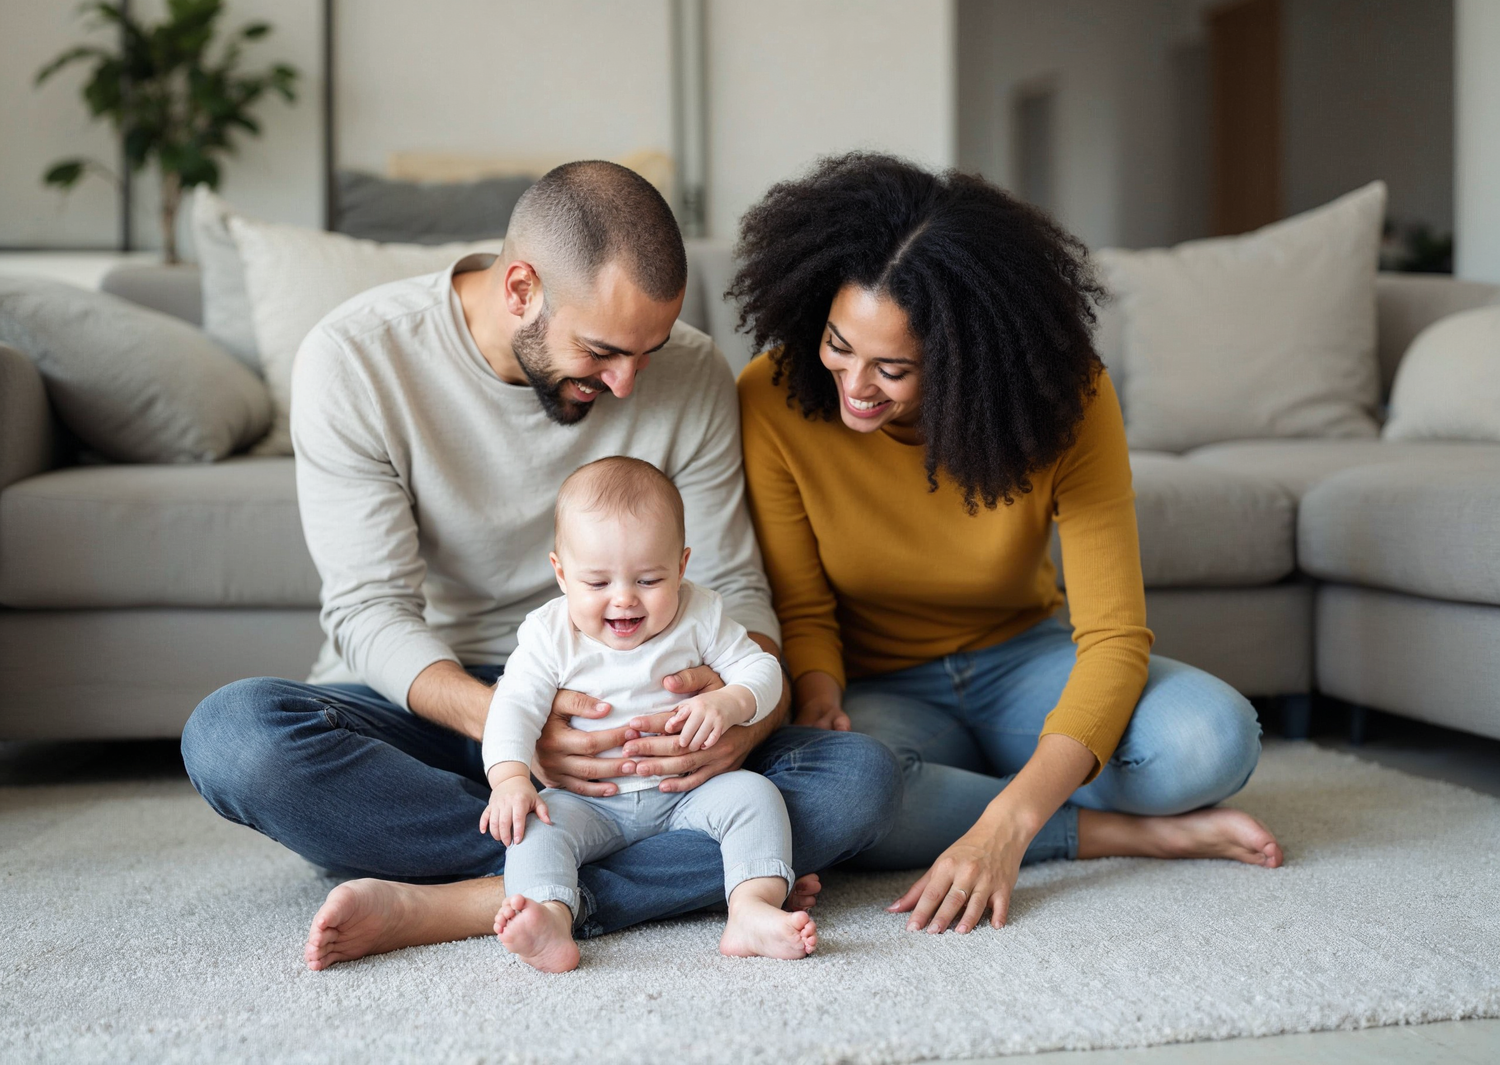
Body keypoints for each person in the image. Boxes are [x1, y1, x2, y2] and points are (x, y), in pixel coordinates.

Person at [179, 161, 897, 970]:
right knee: (235, 739)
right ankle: (611, 877)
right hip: (449, 710)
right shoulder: (356, 358)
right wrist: (512, 730)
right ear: (520, 288)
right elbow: (369, 612)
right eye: (602, 350)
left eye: (648, 351)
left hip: (640, 727)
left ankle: (470, 899)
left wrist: (737, 724)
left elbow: (736, 596)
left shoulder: (690, 372)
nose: (628, 382)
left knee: (859, 778)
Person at [733, 153, 1283, 939]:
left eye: (893, 368)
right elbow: (804, 603)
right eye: (837, 344)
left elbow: (1116, 637)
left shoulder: (1067, 399)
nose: (853, 385)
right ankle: (1113, 830)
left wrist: (1006, 825)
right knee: (823, 797)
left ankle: (1002, 794)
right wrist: (819, 691)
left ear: (967, 360)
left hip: (1024, 660)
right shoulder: (773, 394)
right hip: (878, 683)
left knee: (1214, 739)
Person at [482, 457, 816, 972]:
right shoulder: (548, 633)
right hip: (588, 803)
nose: (623, 600)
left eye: (648, 579)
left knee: (756, 795)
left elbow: (763, 669)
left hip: (688, 793)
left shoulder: (701, 612)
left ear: (681, 567)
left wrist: (731, 702)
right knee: (531, 827)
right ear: (561, 573)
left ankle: (751, 908)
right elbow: (513, 704)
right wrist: (508, 778)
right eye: (596, 583)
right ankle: (550, 916)